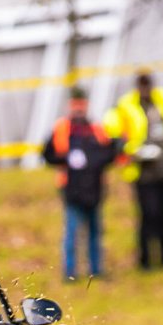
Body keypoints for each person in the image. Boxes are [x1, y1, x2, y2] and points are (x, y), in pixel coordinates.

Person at [105, 71, 163, 270]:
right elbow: (114, 133)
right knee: (148, 214)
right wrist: (131, 151)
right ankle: (145, 259)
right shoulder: (126, 106)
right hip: (143, 172)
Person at [42, 86, 120, 281]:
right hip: (72, 190)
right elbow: (48, 154)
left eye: (81, 105)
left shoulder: (96, 130)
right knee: (72, 232)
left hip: (94, 189)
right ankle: (70, 272)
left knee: (94, 232)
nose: (78, 109)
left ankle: (96, 269)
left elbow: (109, 154)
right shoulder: (61, 129)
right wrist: (66, 159)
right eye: (75, 105)